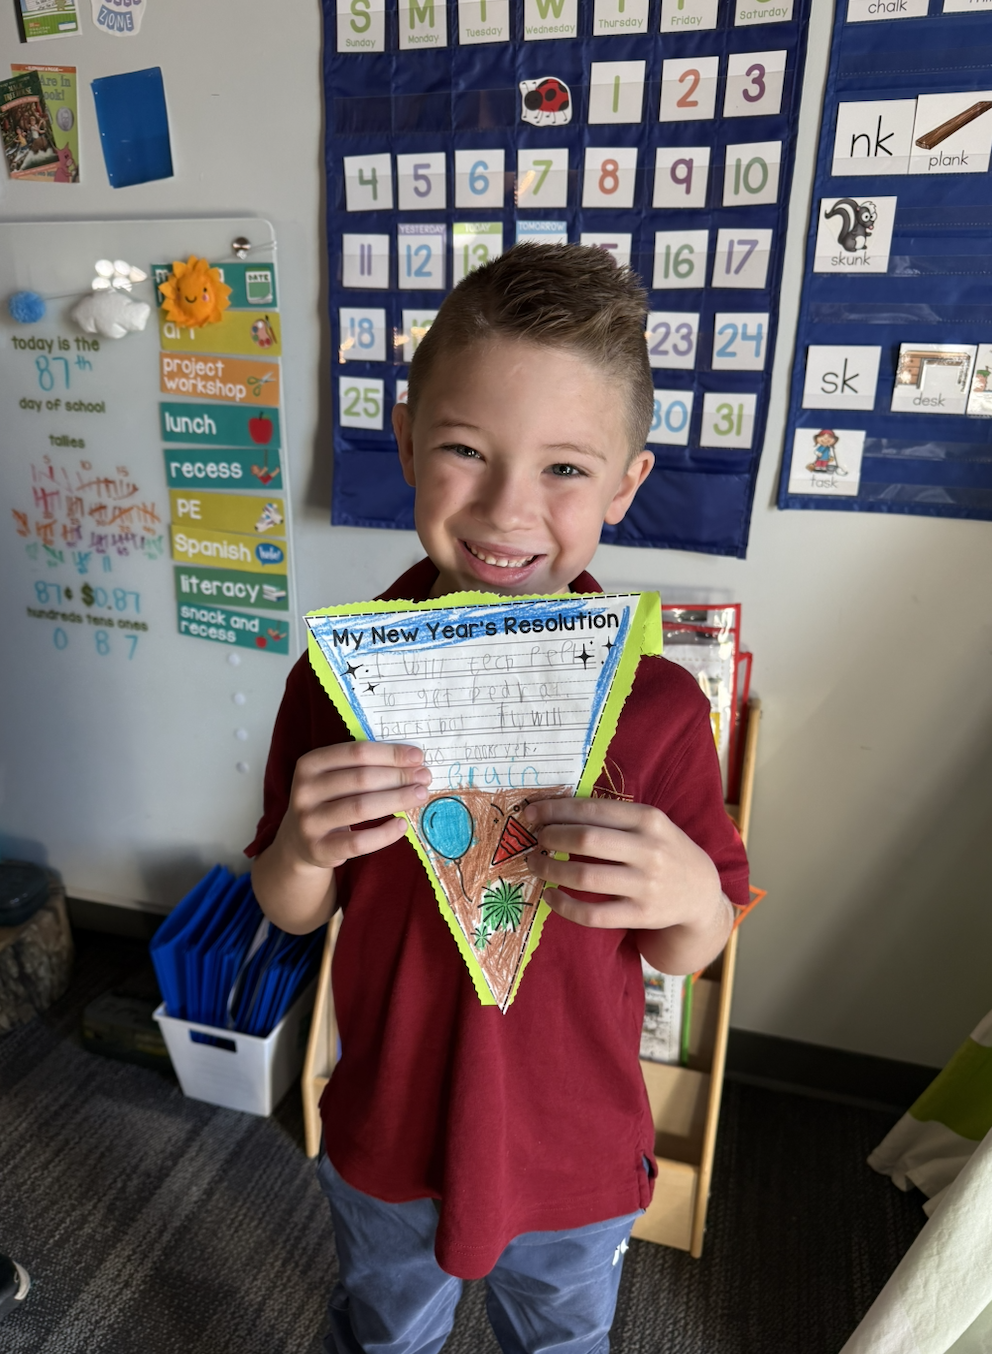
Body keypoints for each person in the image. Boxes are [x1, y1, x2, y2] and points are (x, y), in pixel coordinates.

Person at [248, 244, 749, 1354]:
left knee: (559, 1340)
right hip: (388, 1126)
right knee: (385, 1332)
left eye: (565, 467)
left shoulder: (659, 706)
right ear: (407, 442)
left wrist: (687, 894)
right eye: (465, 449)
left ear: (625, 484)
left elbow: (692, 946)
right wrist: (301, 848)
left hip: (574, 1147)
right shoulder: (334, 683)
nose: (507, 507)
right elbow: (289, 908)